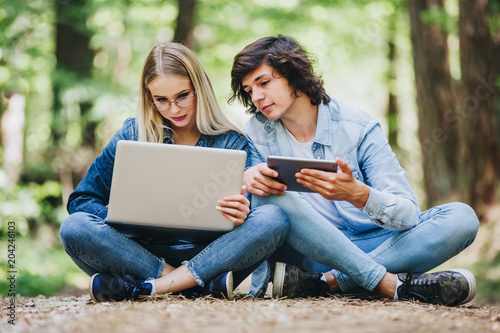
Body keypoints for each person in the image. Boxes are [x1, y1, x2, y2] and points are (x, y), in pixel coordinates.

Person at [228, 35, 480, 306]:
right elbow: (256, 217)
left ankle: (330, 283)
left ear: (293, 74)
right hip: (307, 253)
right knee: (268, 195)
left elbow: (408, 215)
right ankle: (389, 283)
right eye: (249, 90)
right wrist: (244, 179)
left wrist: (359, 195)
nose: (257, 97)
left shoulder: (357, 127)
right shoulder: (254, 130)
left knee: (462, 218)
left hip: (370, 244)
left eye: (264, 83)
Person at [60, 43, 289, 302]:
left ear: (199, 89)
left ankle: (144, 286)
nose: (174, 110)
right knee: (74, 227)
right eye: (161, 100)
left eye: (183, 96)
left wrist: (240, 213)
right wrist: (117, 217)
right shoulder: (132, 136)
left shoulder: (233, 142)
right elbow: (81, 200)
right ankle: (185, 284)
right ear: (149, 98)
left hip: (209, 254)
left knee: (273, 218)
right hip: (137, 252)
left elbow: (254, 212)